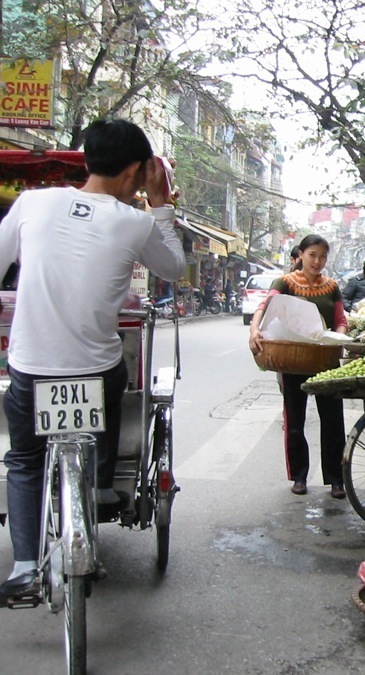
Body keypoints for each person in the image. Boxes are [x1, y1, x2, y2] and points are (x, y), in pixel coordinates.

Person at [0, 118, 185, 601]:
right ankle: (100, 480)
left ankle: (23, 568)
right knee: (112, 383)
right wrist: (161, 205)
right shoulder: (136, 220)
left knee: (24, 458)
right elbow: (173, 268)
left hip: (29, 367)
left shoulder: (33, 203)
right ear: (136, 173)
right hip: (95, 370)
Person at [248, 234, 348, 499]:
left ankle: (336, 479)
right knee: (295, 420)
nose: (317, 261)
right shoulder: (285, 282)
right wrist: (254, 329)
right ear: (301, 255)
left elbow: (341, 319)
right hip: (292, 360)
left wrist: (338, 336)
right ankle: (300, 476)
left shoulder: (332, 286)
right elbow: (264, 306)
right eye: (312, 255)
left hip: (326, 359)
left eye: (322, 256)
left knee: (333, 421)